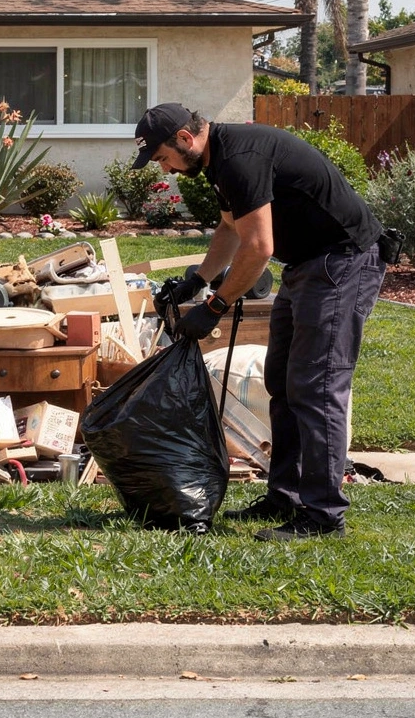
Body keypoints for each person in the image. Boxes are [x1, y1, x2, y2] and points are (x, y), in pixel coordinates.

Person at [132, 102, 385, 539]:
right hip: (309, 264)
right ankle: (284, 496)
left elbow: (259, 246)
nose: (167, 169)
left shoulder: (239, 158)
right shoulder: (219, 160)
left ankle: (323, 516)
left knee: (316, 387)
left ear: (185, 140)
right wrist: (197, 282)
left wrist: (214, 308)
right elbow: (231, 228)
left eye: (163, 158)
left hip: (341, 263)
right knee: (282, 382)